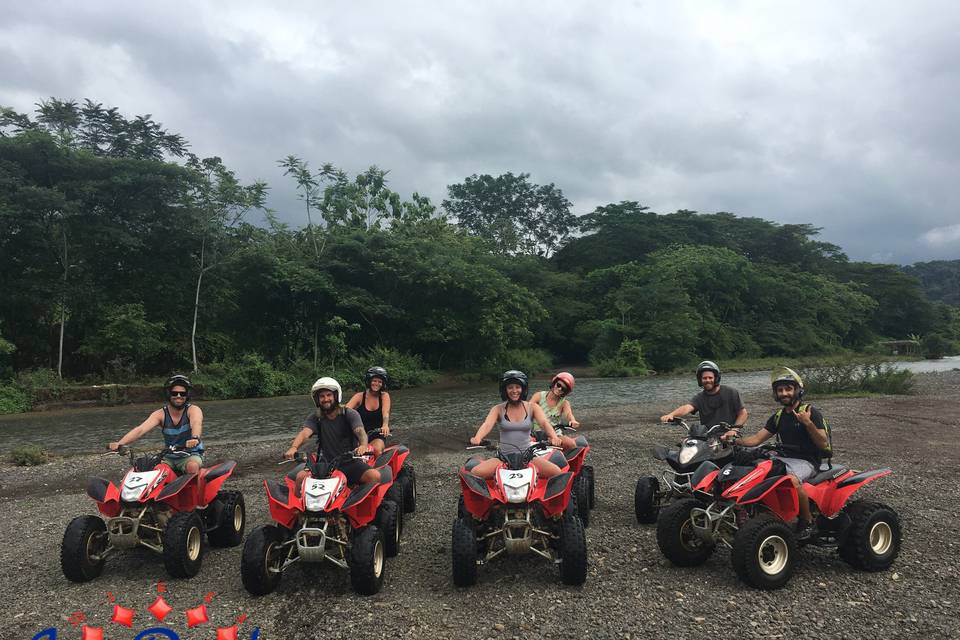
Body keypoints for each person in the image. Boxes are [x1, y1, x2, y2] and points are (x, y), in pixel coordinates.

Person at [721, 366, 831, 540]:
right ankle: (753, 511)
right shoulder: (778, 416)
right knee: (752, 465)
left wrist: (807, 423)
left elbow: (823, 443)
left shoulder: (809, 412)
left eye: (788, 389)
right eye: (780, 390)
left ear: (797, 390)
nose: (784, 393)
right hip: (783, 457)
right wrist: (734, 440)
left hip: (807, 461)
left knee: (792, 480)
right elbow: (757, 439)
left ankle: (807, 522)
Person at [285, 377, 381, 493]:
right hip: (325, 463)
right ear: (317, 399)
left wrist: (363, 445)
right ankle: (297, 510)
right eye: (322, 396)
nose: (326, 399)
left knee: (374, 476)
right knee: (300, 477)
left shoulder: (349, 414)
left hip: (349, 462)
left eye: (329, 395)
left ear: (336, 396)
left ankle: (365, 506)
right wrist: (293, 447)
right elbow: (305, 433)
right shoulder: (316, 417)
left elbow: (360, 431)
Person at [468, 370, 564, 479]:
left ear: (523, 389)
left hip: (527, 456)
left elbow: (544, 423)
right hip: (503, 457)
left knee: (557, 473)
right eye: (510, 387)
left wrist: (554, 437)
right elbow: (487, 425)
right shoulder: (497, 409)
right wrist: (477, 437)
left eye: (517, 387)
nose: (514, 391)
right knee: (475, 473)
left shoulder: (532, 407)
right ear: (505, 390)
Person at [108, 374, 204, 475]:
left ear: (187, 395)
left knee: (192, 467)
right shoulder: (160, 414)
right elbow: (140, 430)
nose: (178, 396)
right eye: (174, 393)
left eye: (182, 393)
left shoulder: (193, 410)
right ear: (168, 394)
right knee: (157, 472)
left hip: (190, 455)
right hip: (169, 457)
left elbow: (196, 423)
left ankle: (197, 490)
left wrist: (195, 438)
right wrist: (120, 443)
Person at [660, 360, 748, 429]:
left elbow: (743, 414)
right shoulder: (699, 397)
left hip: (728, 435)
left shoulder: (731, 392)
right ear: (700, 380)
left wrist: (734, 430)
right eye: (704, 378)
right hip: (707, 435)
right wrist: (671, 414)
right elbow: (687, 408)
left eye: (710, 377)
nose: (707, 380)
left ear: (716, 378)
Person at [344, 366, 392, 456]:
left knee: (377, 449)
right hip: (359, 434)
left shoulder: (384, 396)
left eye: (380, 382)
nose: (376, 383)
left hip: (376, 434)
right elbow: (346, 411)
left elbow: (385, 413)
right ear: (369, 381)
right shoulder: (359, 396)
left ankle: (378, 469)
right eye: (374, 381)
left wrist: (385, 425)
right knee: (352, 452)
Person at [529, 371, 580, 450]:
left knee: (571, 444)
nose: (559, 389)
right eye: (558, 385)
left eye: (563, 389)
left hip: (556, 434)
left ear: (565, 392)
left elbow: (568, 414)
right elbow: (526, 410)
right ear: (554, 382)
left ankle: (564, 460)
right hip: (538, 433)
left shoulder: (564, 403)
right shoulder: (538, 396)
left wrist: (572, 420)